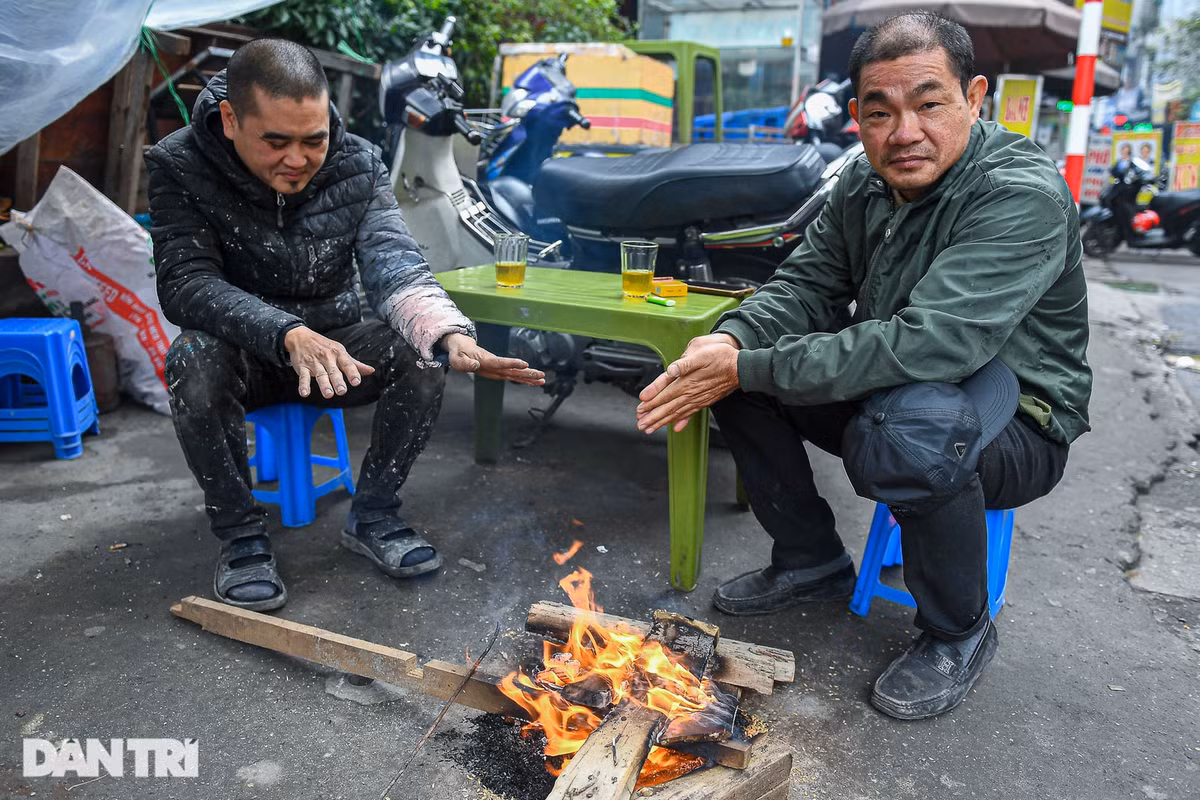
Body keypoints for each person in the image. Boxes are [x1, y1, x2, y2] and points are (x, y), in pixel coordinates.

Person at [635, 11, 1091, 720]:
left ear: (975, 98)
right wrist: (731, 342)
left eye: (930, 104)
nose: (905, 132)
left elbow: (933, 344)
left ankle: (957, 630)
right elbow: (806, 284)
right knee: (736, 372)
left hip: (1018, 419)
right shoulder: (866, 183)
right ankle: (811, 556)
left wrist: (752, 365)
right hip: (904, 392)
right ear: (857, 117)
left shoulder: (1018, 195)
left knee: (911, 429)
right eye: (881, 113)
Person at [146, 39, 544, 612]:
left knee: (424, 353)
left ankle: (375, 514)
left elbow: (393, 260)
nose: (298, 159)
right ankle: (241, 540)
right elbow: (186, 283)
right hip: (245, 353)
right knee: (191, 359)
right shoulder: (177, 164)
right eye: (276, 142)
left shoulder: (358, 161)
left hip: (337, 353)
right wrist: (285, 333)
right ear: (231, 120)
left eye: (313, 140)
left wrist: (450, 334)